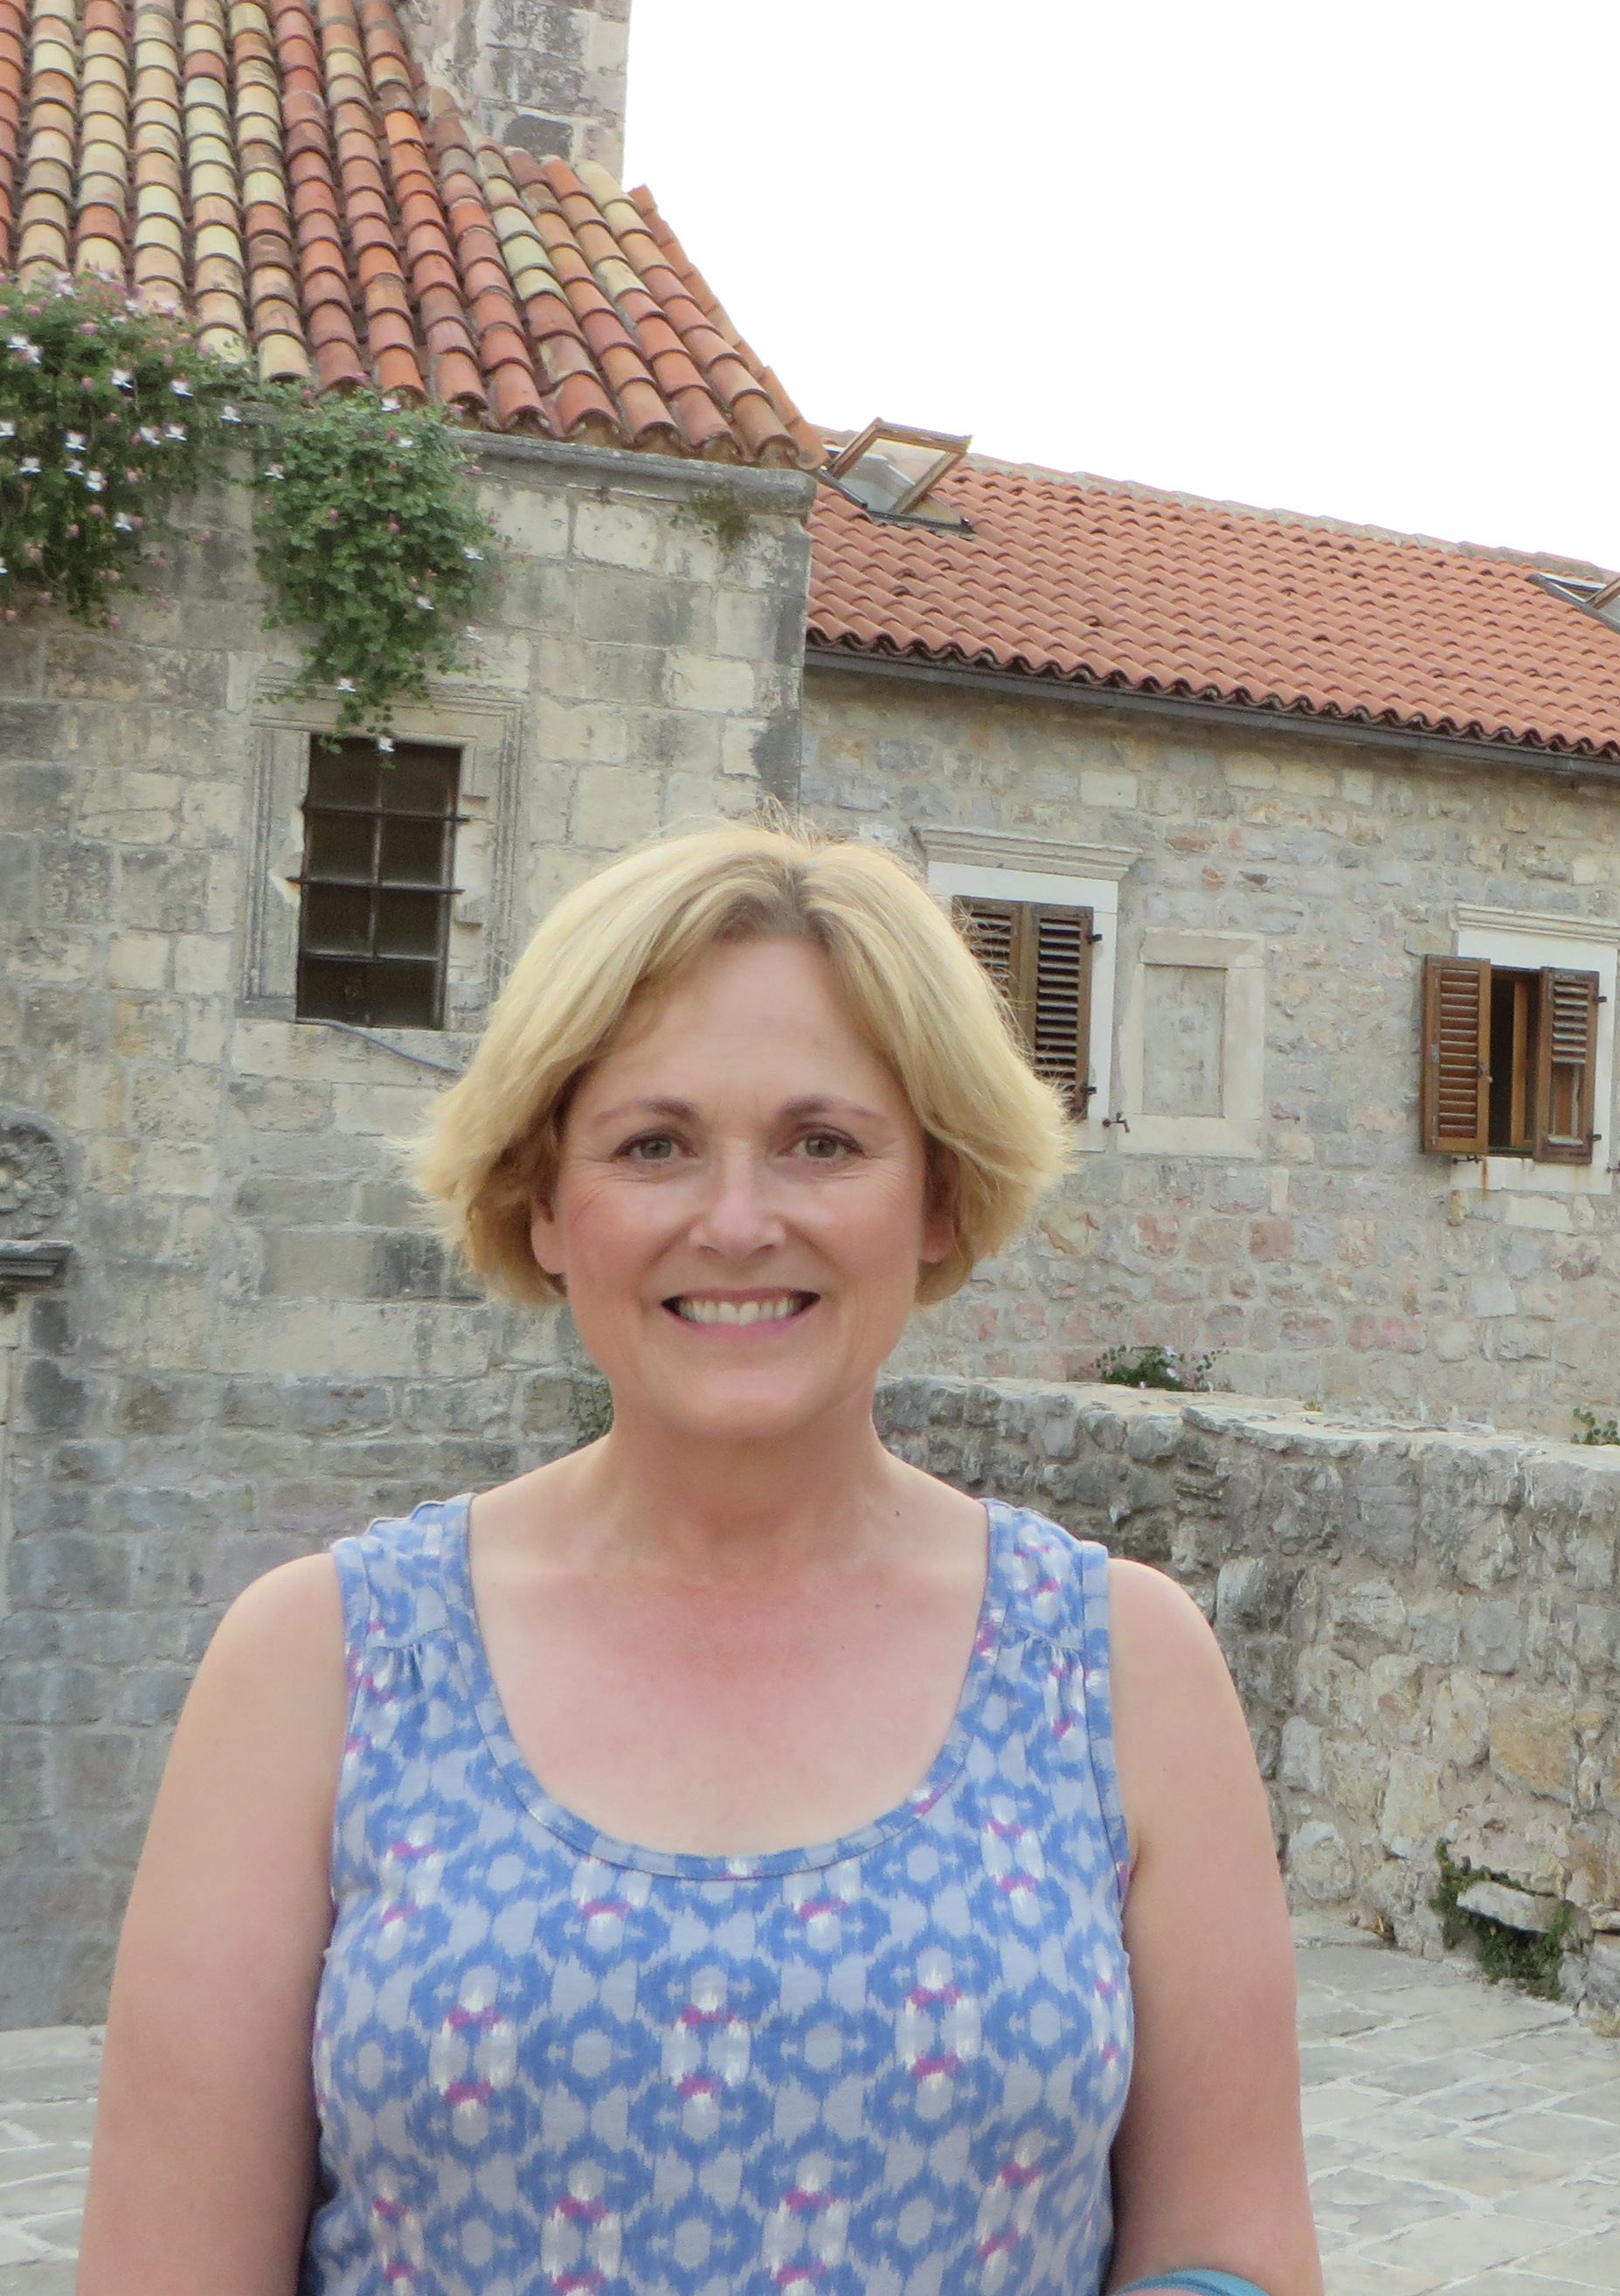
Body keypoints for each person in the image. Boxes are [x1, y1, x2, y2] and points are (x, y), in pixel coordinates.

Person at [76, 823, 1320, 2296]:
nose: (737, 1223)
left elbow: (1228, 2252)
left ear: (936, 1198)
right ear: (546, 1204)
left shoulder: (1120, 1665)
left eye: (822, 1143)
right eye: (653, 1146)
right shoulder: (319, 1664)